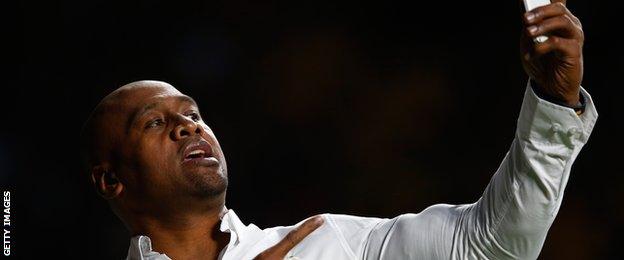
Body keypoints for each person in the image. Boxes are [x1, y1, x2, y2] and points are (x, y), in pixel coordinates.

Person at [81, 1, 597, 259]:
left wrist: (553, 102)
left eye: (192, 113)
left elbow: (486, 243)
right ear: (110, 181)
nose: (186, 126)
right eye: (154, 122)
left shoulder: (332, 245)